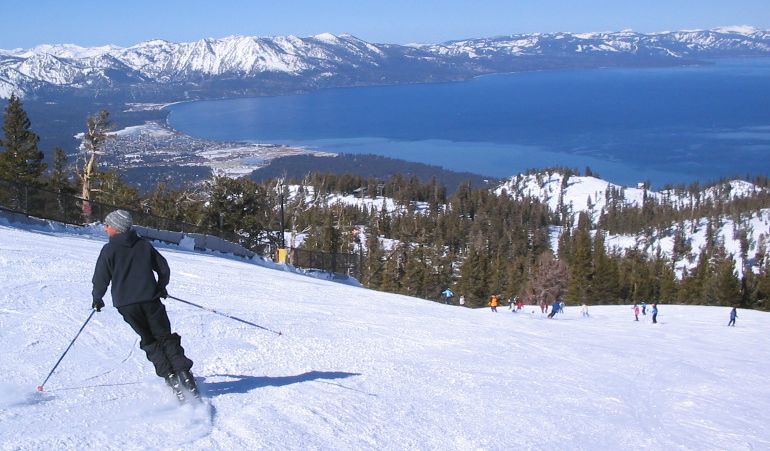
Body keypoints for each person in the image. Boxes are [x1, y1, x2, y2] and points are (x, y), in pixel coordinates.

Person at [92, 210, 199, 401]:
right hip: (150, 300)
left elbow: (101, 277)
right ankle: (184, 376)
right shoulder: (143, 245)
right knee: (165, 337)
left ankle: (170, 377)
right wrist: (160, 287)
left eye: (107, 225)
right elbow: (163, 268)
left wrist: (97, 297)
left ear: (116, 228)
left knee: (149, 340)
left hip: (126, 305)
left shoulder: (109, 250)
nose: (104, 228)